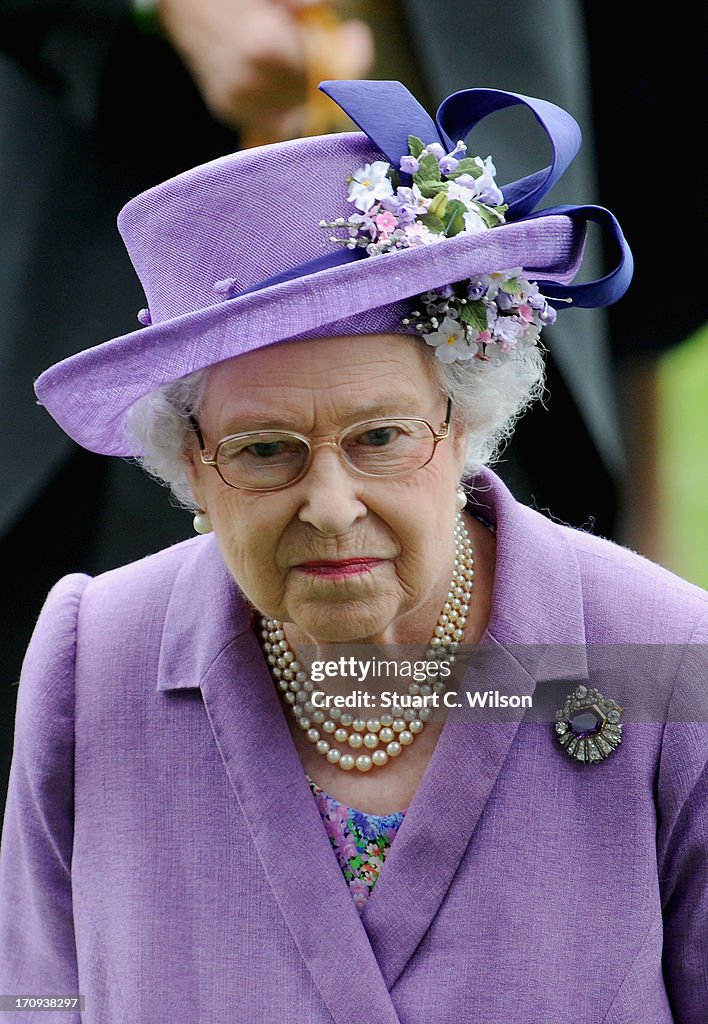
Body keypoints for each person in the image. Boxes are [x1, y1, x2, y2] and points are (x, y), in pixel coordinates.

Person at [1, 79, 706, 1023]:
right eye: (263, 451)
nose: (330, 508)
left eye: (380, 437)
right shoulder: (93, 661)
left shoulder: (664, 663)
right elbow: (36, 999)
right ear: (192, 471)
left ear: (464, 426)